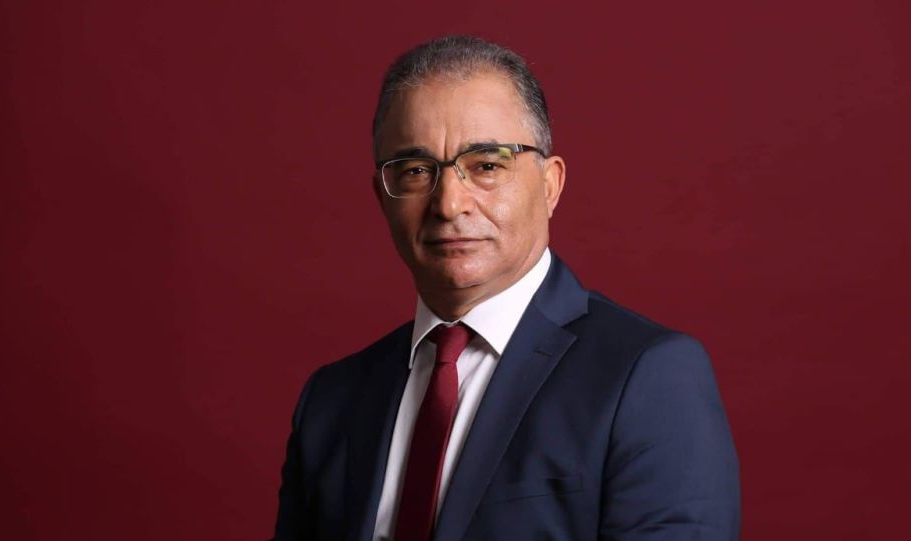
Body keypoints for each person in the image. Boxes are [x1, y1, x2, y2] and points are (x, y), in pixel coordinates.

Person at [272, 35, 740, 541]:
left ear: (550, 184)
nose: (449, 204)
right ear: (382, 198)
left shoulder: (647, 375)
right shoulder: (332, 400)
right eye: (416, 171)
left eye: (487, 165)